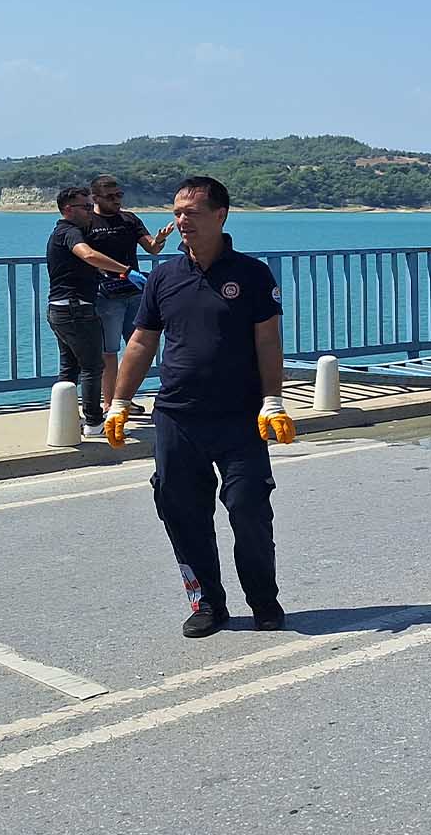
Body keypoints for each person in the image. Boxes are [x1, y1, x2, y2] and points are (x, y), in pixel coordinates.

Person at [106, 176, 294, 638]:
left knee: (249, 509)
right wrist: (118, 404)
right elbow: (141, 342)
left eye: (190, 212)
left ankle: (263, 600)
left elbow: (268, 341)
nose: (180, 221)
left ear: (220, 215)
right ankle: (207, 601)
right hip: (176, 416)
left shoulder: (251, 274)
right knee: (180, 511)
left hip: (239, 415)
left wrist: (273, 401)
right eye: (176, 212)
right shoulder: (165, 277)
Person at [46, 187, 135, 438]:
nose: (90, 211)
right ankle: (95, 423)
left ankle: (63, 420)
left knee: (69, 367)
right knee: (93, 366)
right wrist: (125, 271)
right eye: (85, 207)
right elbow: (88, 255)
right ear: (68, 210)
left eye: (89, 205)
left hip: (59, 309)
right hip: (77, 309)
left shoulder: (59, 232)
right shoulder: (70, 232)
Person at [86, 174, 175, 413]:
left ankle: (124, 397)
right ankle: (109, 403)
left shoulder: (129, 219)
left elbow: (152, 248)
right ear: (95, 197)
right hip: (105, 294)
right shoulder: (88, 222)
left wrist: (160, 239)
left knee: (140, 345)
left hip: (134, 291)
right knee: (109, 350)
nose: (117, 200)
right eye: (110, 196)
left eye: (119, 195)